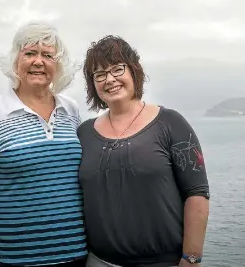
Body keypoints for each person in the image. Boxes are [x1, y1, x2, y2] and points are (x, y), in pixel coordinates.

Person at [77, 35, 210, 267]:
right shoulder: (84, 134)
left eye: (117, 69)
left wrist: (191, 258)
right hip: (98, 261)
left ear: (134, 71)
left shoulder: (170, 123)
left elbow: (197, 193)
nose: (110, 79)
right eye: (99, 74)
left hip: (164, 261)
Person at [0, 21, 87, 267]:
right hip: (11, 258)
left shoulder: (71, 111)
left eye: (48, 55)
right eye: (30, 53)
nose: (38, 61)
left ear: (58, 65)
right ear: (15, 61)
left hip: (75, 255)